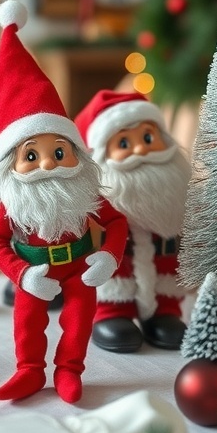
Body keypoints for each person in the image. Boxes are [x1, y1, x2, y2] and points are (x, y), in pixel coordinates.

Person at [0, 1, 128, 403]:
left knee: (80, 320)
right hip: (35, 268)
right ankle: (29, 370)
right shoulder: (12, 202)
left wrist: (109, 257)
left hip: (81, 266)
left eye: (58, 151)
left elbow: (116, 223)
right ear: (12, 164)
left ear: (76, 152)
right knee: (27, 321)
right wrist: (21, 274)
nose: (48, 162)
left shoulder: (84, 191)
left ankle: (69, 371)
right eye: (31, 155)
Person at [75, 89, 191, 353]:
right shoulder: (98, 193)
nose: (140, 149)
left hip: (166, 268)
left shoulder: (179, 184)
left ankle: (165, 311)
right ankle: (112, 313)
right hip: (116, 270)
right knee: (114, 282)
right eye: (124, 144)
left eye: (148, 137)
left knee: (167, 283)